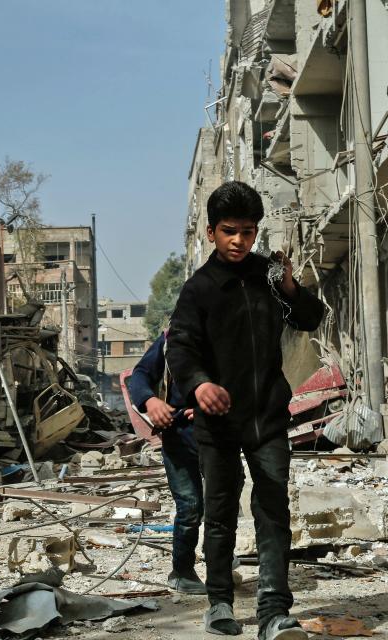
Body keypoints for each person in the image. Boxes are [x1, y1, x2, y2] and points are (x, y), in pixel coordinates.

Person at [167, 181, 326, 640]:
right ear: (212, 231)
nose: (240, 241)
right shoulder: (198, 290)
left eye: (249, 232)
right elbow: (180, 348)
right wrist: (199, 386)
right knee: (218, 514)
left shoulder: (268, 277)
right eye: (230, 231)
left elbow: (309, 319)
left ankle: (274, 611)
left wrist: (292, 287)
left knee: (273, 508)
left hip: (268, 418)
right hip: (218, 424)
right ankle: (219, 603)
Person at [126, 332, 207, 594]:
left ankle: (220, 559)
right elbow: (139, 376)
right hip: (180, 435)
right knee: (190, 505)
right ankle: (182, 571)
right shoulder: (170, 339)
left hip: (219, 435)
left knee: (224, 502)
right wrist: (150, 401)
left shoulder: (230, 332)